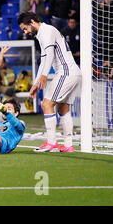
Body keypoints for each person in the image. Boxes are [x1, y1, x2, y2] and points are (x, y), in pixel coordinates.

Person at [17, 11, 81, 152]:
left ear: (32, 21)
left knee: (46, 104)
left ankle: (52, 142)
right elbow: (44, 60)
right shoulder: (43, 33)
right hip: (73, 72)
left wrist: (45, 76)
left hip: (66, 72)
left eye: (25, 28)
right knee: (63, 108)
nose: (26, 32)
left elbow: (50, 55)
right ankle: (68, 145)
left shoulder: (47, 31)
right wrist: (36, 83)